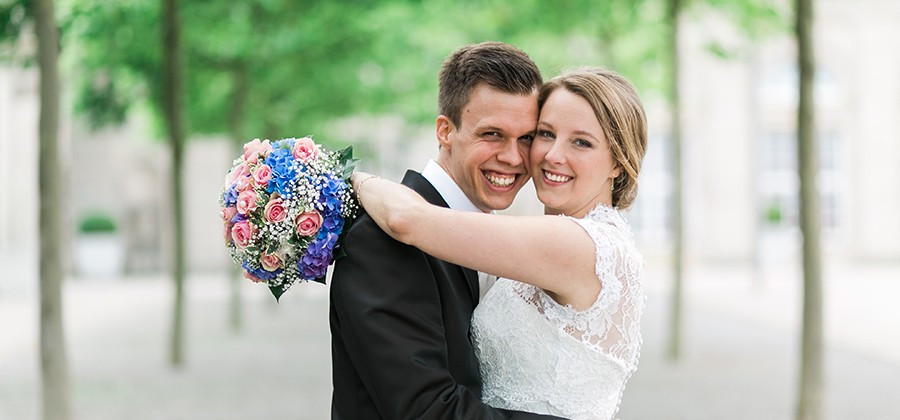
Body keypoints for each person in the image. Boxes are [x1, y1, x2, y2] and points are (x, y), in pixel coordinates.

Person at [353, 67, 648, 420]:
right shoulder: (572, 240)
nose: (553, 155)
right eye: (544, 134)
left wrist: (353, 178)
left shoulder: (578, 243)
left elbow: (404, 220)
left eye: (581, 142)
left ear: (618, 162)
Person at [329, 42, 563, 419]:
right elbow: (427, 410)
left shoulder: (485, 235)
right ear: (445, 131)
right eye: (492, 135)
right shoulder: (381, 241)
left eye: (526, 138)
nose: (513, 157)